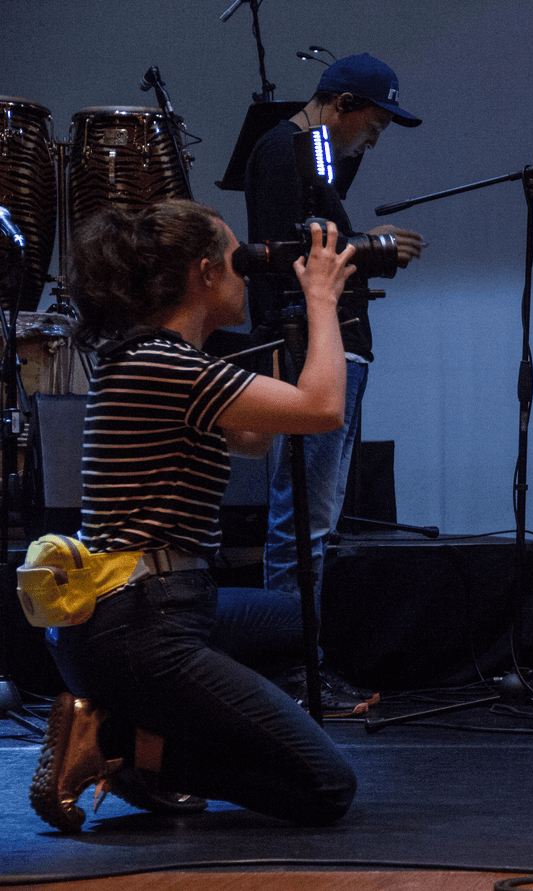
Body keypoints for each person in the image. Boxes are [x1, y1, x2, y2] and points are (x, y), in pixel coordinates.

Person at [29, 199, 359, 832]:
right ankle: (128, 746)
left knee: (300, 618)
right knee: (325, 787)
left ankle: (155, 725)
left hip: (144, 611)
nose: (245, 276)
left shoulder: (156, 362)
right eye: (236, 262)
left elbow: (254, 439)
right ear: (205, 273)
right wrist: (321, 300)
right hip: (140, 627)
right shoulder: (164, 365)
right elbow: (323, 408)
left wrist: (285, 345)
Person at [243, 53, 423, 709]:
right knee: (303, 521)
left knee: (314, 520)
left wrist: (363, 247)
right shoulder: (283, 151)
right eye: (371, 126)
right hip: (314, 349)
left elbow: (319, 240)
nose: (371, 141)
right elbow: (297, 257)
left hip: (336, 349)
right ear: (342, 104)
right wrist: (372, 246)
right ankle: (294, 669)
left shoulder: (312, 155)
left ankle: (301, 665)